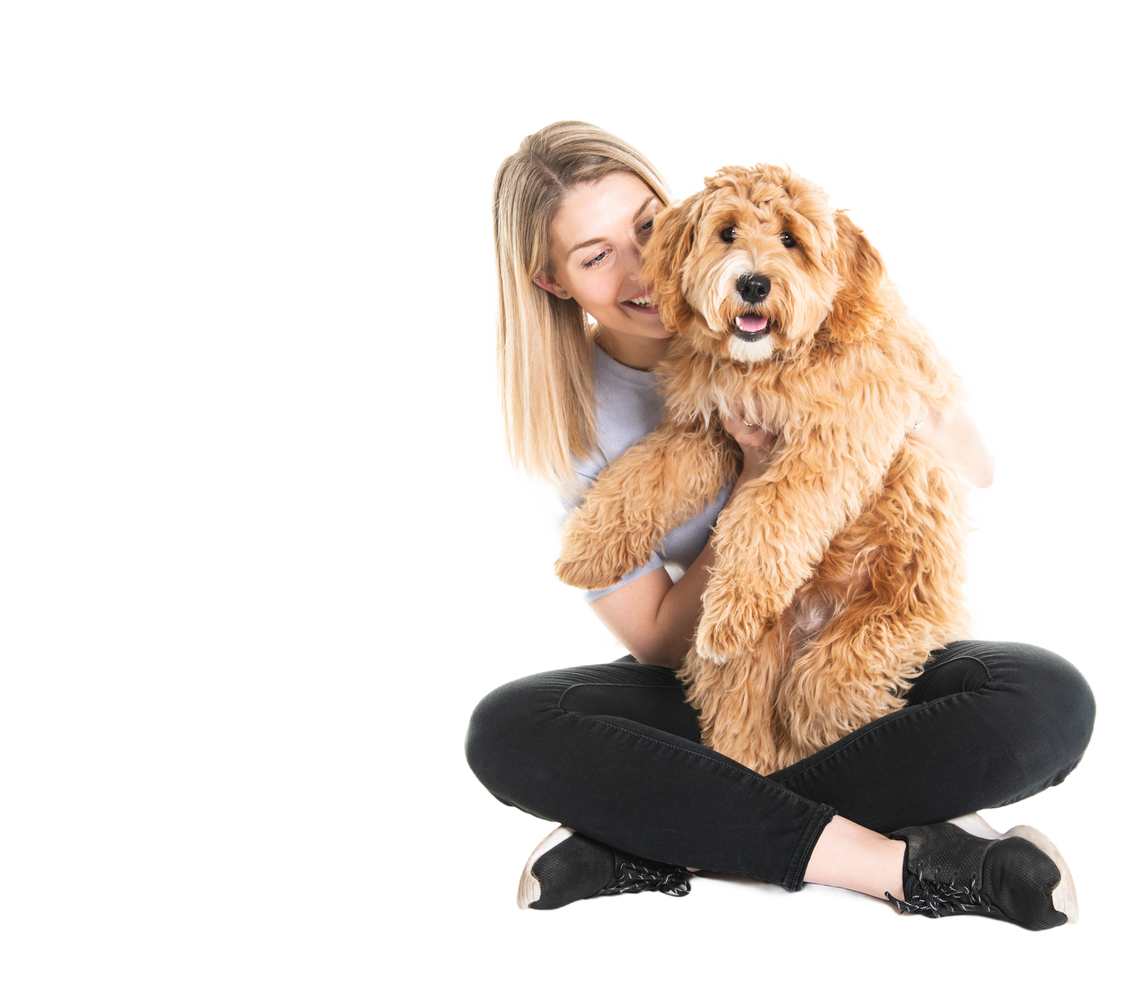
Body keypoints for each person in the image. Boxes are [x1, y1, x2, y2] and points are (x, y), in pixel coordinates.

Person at [466, 117, 1098, 929]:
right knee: (508, 730)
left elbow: (979, 470)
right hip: (718, 662)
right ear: (553, 283)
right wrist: (756, 487)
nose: (646, 267)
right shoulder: (567, 422)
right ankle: (911, 865)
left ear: (679, 217)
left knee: (1044, 700)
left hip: (871, 643)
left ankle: (662, 840)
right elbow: (659, 642)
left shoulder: (839, 298)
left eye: (650, 230)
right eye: (595, 257)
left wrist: (879, 407)